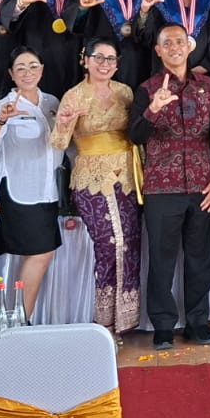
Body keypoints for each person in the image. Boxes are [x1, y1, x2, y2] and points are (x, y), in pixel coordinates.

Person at [129, 23, 210, 349]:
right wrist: (154, 108)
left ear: (189, 46)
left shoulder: (208, 86)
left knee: (200, 258)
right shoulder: (147, 89)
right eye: (166, 43)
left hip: (202, 185)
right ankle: (163, 325)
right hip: (161, 188)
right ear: (158, 50)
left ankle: (197, 322)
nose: (174, 47)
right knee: (162, 259)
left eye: (179, 42)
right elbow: (135, 136)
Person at [51, 38, 142, 335]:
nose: (105, 64)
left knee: (129, 242)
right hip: (91, 178)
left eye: (111, 59)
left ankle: (126, 318)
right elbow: (58, 143)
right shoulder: (74, 95)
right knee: (108, 244)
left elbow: (136, 131)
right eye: (99, 57)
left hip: (126, 175)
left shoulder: (125, 92)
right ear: (85, 60)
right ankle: (104, 321)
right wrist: (64, 123)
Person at [0, 49, 62, 321]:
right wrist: (1, 120)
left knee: (41, 254)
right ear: (11, 73)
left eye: (33, 66)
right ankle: (20, 321)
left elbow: (61, 145)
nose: (27, 72)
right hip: (19, 190)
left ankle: (18, 318)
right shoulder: (5, 105)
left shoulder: (52, 102)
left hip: (47, 191)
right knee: (40, 253)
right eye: (20, 68)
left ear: (42, 69)